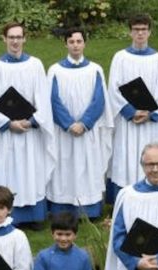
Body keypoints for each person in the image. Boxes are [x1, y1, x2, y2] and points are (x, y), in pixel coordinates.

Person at [0, 22, 55, 229]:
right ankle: (8, 214)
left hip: (29, 131)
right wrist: (7, 123)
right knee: (7, 172)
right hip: (7, 133)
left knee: (30, 171)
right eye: (11, 37)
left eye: (19, 37)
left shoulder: (35, 65)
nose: (15, 41)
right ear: (4, 39)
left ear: (25, 39)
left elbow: (43, 100)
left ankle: (34, 216)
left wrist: (32, 121)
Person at [105, 14, 158, 205]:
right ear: (130, 32)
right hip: (128, 122)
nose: (140, 33)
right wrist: (130, 112)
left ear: (149, 32)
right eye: (136, 30)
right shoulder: (120, 58)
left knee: (151, 154)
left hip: (149, 123)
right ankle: (123, 199)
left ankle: (152, 195)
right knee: (125, 157)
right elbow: (113, 88)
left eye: (144, 30)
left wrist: (150, 113)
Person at [46, 27, 113, 219]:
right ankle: (62, 207)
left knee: (87, 167)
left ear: (85, 43)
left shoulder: (95, 70)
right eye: (71, 41)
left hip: (86, 132)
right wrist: (68, 124)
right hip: (64, 132)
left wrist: (84, 123)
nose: (75, 45)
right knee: (64, 167)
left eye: (79, 41)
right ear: (65, 44)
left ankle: (89, 209)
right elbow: (53, 99)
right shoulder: (55, 70)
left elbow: (98, 100)